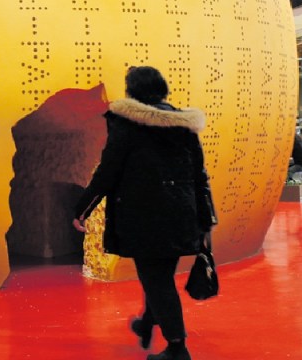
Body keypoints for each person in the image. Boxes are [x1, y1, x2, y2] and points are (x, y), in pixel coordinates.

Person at [72, 66, 217, 360]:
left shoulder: (127, 125)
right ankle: (147, 324)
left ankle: (177, 347)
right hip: (180, 214)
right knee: (159, 274)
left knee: (157, 279)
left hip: (143, 217)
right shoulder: (184, 126)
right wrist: (205, 219)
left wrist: (83, 208)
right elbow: (199, 176)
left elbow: (108, 171)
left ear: (132, 91)